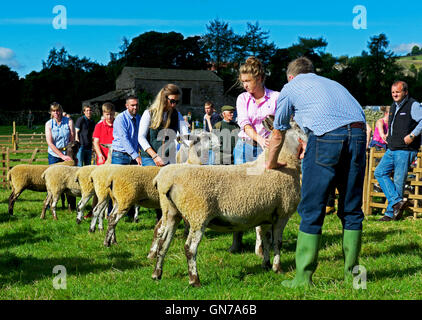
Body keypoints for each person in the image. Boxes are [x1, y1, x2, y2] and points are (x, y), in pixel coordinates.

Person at [266, 57, 366, 288]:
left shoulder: (290, 88)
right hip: (359, 135)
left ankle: (303, 277)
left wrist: (271, 163)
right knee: (351, 208)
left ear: (291, 77)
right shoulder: (333, 84)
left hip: (327, 137)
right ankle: (354, 278)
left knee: (312, 207)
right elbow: (356, 117)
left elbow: (278, 131)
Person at [230, 56, 279, 253]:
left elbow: (282, 122)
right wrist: (259, 139)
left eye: (247, 81)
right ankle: (237, 240)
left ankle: (262, 241)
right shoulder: (242, 98)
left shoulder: (276, 97)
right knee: (238, 192)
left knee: (263, 194)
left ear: (259, 78)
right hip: (245, 147)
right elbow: (244, 122)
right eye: (242, 81)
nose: (244, 85)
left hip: (268, 150)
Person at [374, 81, 422, 222]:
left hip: (406, 150)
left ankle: (391, 214)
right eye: (393, 92)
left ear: (405, 92)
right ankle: (397, 202)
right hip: (393, 148)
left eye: (398, 92)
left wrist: (412, 135)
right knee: (379, 172)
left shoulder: (413, 105)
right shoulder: (394, 106)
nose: (394, 94)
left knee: (399, 181)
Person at [138, 84, 189, 167]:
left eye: (177, 102)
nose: (174, 105)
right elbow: (141, 137)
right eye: (172, 101)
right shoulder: (149, 113)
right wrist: (154, 156)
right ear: (164, 98)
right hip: (150, 158)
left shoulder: (177, 115)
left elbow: (186, 135)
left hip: (169, 158)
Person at [111, 95, 142, 166]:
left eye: (137, 105)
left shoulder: (139, 118)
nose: (135, 107)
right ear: (127, 106)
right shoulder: (120, 118)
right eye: (132, 105)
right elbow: (124, 139)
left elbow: (140, 136)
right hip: (120, 156)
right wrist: (136, 156)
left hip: (134, 155)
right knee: (117, 177)